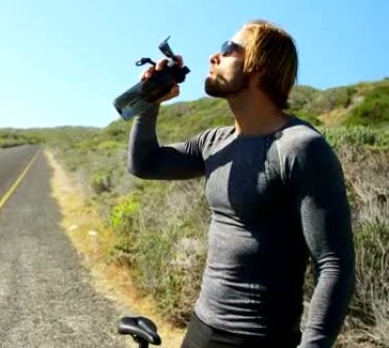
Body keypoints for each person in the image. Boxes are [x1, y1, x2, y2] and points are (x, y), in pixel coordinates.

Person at [126, 20, 355, 348]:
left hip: (260, 338)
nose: (213, 56)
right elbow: (144, 164)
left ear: (258, 68)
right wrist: (149, 104)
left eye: (227, 49)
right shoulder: (215, 142)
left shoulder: (299, 147)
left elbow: (334, 264)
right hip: (201, 327)